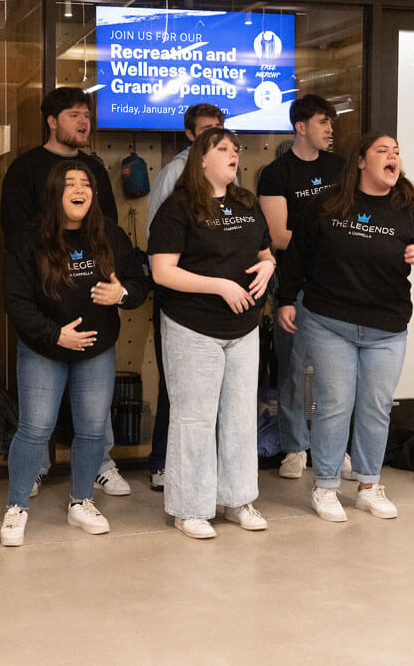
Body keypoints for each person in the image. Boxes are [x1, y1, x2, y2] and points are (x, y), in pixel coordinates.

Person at [278, 133, 414, 521]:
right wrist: (286, 299)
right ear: (360, 160)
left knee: (376, 407)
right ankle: (325, 486)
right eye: (382, 151)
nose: (393, 157)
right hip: (329, 321)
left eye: (397, 152)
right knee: (335, 404)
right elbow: (298, 255)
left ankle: (370, 485)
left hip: (387, 327)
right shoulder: (327, 204)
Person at [0, 161, 148, 546]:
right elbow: (16, 303)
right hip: (44, 349)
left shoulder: (109, 235)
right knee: (35, 429)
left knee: (92, 430)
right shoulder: (27, 239)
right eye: (70, 184)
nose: (80, 189)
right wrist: (54, 335)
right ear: (54, 193)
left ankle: (81, 501)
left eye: (86, 184)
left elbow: (138, 281)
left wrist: (122, 295)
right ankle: (16, 506)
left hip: (96, 351)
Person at [0, 86, 128, 497]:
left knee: (93, 421)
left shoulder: (94, 168)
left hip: (94, 325)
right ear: (52, 121)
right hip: (44, 324)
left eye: (86, 114)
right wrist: (50, 324)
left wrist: (119, 293)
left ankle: (94, 474)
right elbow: (18, 239)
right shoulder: (26, 169)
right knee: (35, 423)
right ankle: (31, 475)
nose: (83, 121)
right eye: (73, 114)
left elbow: (106, 235)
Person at [149, 127, 275, 539]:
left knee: (240, 417)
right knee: (194, 419)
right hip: (193, 325)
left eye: (235, 149)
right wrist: (219, 285)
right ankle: (190, 508)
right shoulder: (178, 208)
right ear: (202, 158)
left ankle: (238, 499)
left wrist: (270, 266)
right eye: (223, 148)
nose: (233, 154)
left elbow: (264, 251)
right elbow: (162, 271)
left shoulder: (246, 201)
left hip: (243, 327)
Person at [257, 94, 346, 480]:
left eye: (331, 123)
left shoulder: (341, 169)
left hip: (340, 283)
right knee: (293, 369)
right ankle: (294, 447)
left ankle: (334, 446)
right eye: (323, 122)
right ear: (301, 127)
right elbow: (278, 236)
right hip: (296, 285)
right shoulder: (276, 173)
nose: (330, 130)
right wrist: (329, 238)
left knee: (336, 373)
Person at [143, 102, 226, 492]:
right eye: (207, 131)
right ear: (190, 135)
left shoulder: (230, 177)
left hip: (219, 300)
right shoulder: (175, 174)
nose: (216, 139)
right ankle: (162, 463)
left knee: (208, 392)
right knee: (175, 385)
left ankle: (205, 469)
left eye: (220, 131)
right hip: (178, 296)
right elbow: (157, 242)